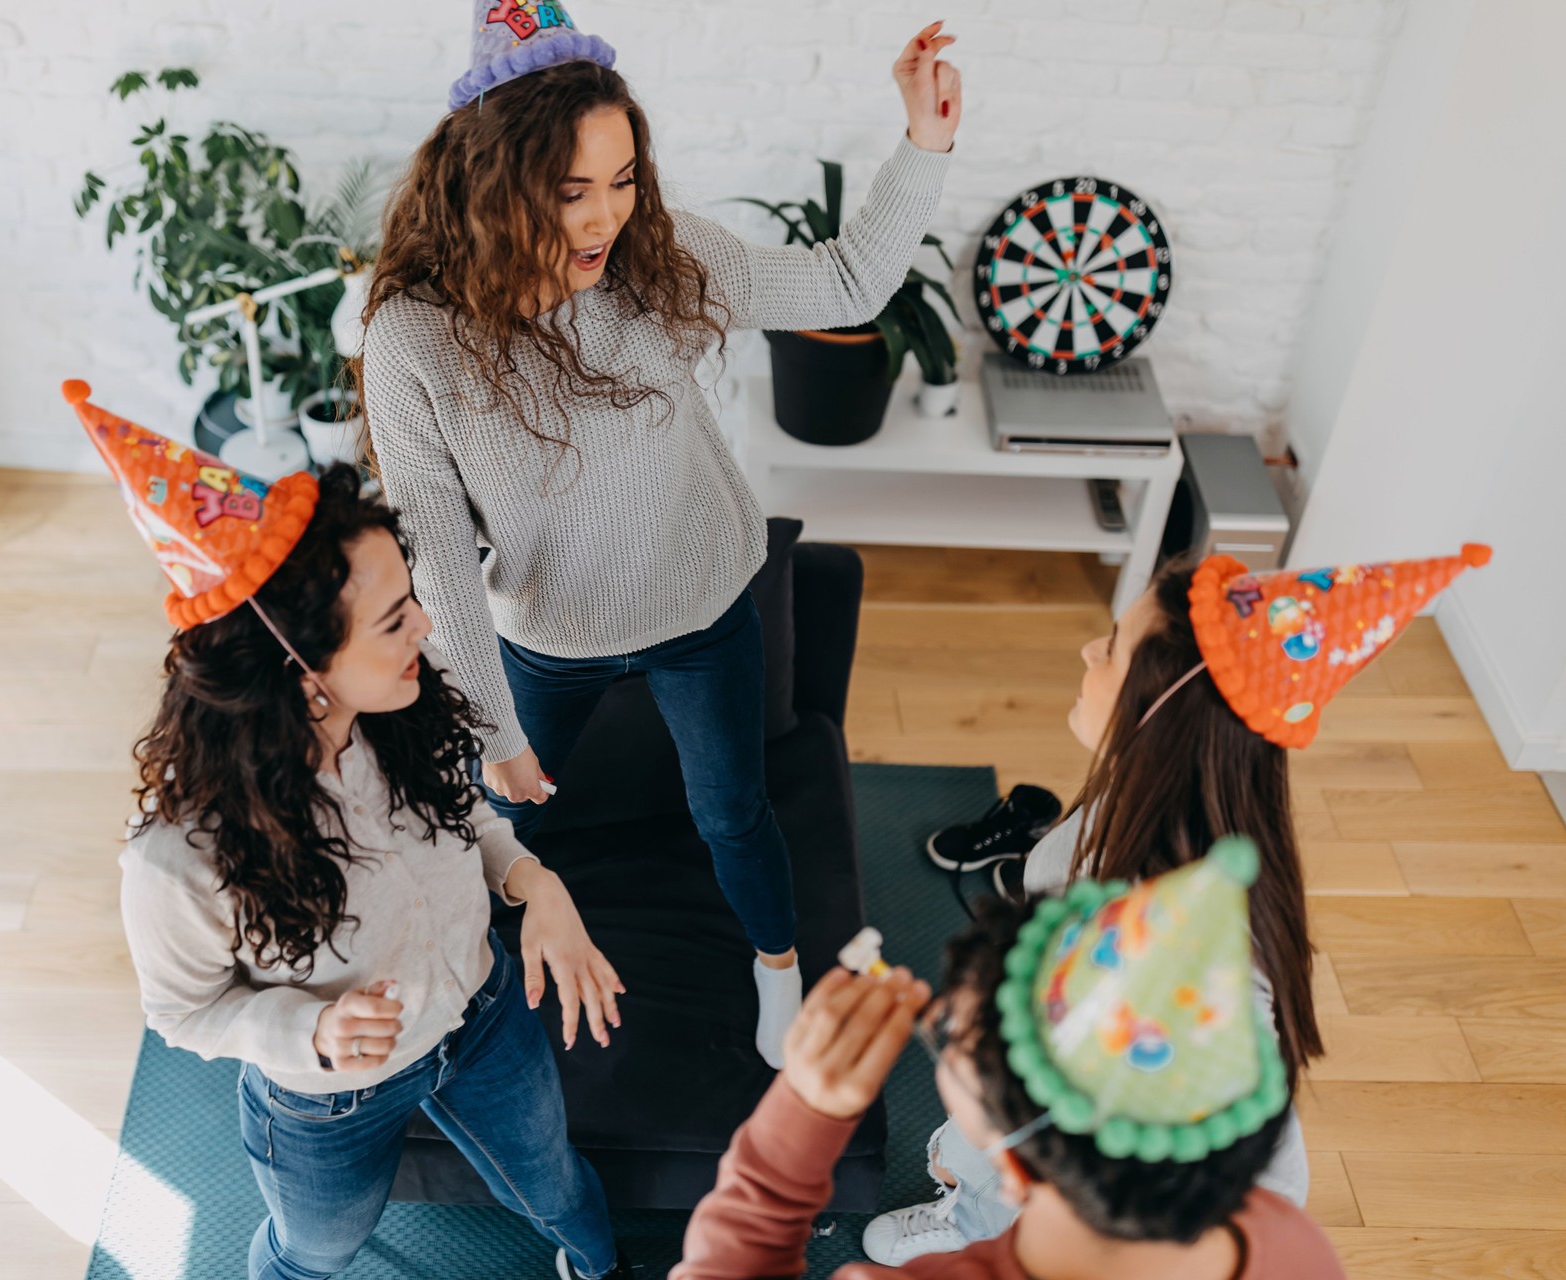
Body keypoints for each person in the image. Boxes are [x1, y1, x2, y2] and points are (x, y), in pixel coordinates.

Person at [361, 0, 963, 1066]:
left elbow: (844, 280)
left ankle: (775, 968)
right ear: (496, 186)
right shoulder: (417, 336)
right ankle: (462, 982)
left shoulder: (658, 258)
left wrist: (925, 140)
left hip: (703, 607)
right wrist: (494, 729)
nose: (605, 217)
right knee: (505, 827)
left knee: (733, 812)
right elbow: (438, 547)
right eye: (573, 190)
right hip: (545, 634)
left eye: (624, 178)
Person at [61, 382, 629, 1280]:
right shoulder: (178, 861)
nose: (428, 629)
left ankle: (600, 1266)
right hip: (329, 1099)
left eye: (414, 603)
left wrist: (534, 882)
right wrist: (314, 1034)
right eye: (396, 619)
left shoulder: (404, 699)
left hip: (483, 1015)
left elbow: (466, 814)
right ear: (299, 671)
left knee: (556, 1188)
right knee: (313, 1254)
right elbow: (182, 1011)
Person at [862, 543, 1492, 1264]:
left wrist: (973, 1155)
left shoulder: (1158, 956)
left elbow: (1066, 1121)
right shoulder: (1164, 814)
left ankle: (976, 1218)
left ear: (1161, 711)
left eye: (1112, 650)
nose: (1087, 648)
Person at [672, 840, 1349, 1279]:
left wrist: (796, 1128)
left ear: (1012, 1168)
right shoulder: (1290, 1245)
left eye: (954, 1042)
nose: (934, 1021)